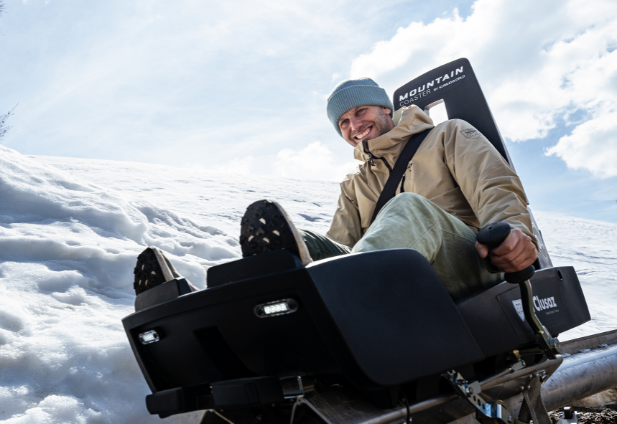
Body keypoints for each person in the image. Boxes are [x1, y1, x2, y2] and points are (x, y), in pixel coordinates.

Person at [134, 78, 538, 302]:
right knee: (299, 242)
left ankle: (341, 304)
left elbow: (496, 189)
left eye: (359, 111)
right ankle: (210, 308)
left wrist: (515, 237)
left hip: (469, 263)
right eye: (342, 122)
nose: (353, 125)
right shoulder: (355, 184)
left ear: (384, 108)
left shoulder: (447, 135)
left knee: (408, 208)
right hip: (391, 278)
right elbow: (342, 247)